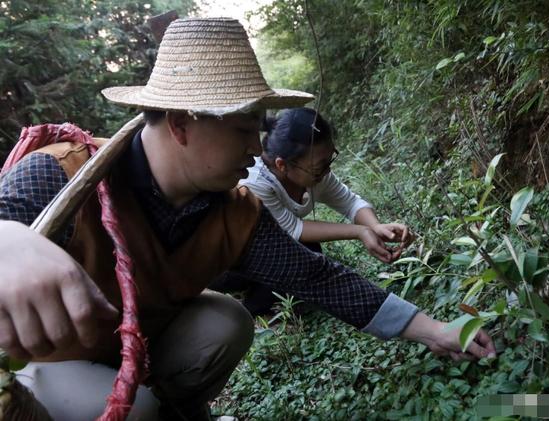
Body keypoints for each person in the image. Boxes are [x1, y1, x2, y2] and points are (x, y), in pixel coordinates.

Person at [0, 17, 496, 421]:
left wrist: (434, 330)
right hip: (50, 368)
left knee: (226, 321)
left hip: (138, 346)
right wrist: (7, 237)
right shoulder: (59, 173)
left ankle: (179, 411)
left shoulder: (232, 209)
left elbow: (315, 275)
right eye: (243, 129)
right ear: (180, 125)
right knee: (134, 409)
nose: (257, 148)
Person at [218, 107, 414, 315]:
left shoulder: (315, 173)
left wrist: (375, 226)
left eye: (330, 159)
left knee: (309, 250)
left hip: (266, 248)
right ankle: (248, 310)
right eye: (319, 166)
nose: (327, 170)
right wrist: (360, 231)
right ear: (282, 165)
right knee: (297, 254)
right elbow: (293, 229)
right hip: (227, 264)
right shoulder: (255, 183)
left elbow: (350, 202)